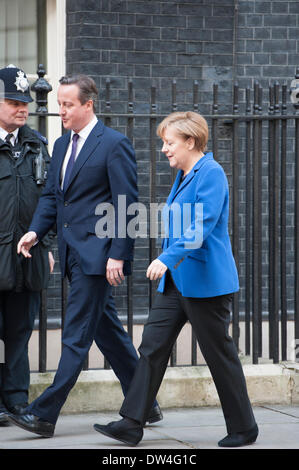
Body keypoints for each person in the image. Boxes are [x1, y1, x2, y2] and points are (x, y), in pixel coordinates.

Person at [93, 111, 258, 448]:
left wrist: (166, 259)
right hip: (177, 284)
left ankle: (244, 427)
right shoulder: (185, 174)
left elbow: (202, 225)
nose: (165, 149)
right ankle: (131, 422)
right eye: (164, 143)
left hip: (205, 284)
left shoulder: (210, 173)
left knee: (218, 354)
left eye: (169, 143)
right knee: (152, 346)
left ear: (190, 142)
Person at [8, 74, 161, 437]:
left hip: (99, 256)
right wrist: (35, 231)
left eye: (67, 104)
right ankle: (146, 403)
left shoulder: (113, 144)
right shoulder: (61, 146)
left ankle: (44, 414)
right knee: (108, 334)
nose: (60, 110)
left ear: (88, 105)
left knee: (75, 336)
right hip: (71, 254)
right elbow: (52, 198)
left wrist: (118, 255)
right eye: (59, 103)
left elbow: (126, 205)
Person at [0, 65, 54, 426]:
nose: (22, 108)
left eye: (25, 103)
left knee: (21, 329)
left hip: (28, 254)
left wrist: (47, 245)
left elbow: (50, 200)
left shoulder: (37, 145)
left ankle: (17, 399)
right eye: (13, 101)